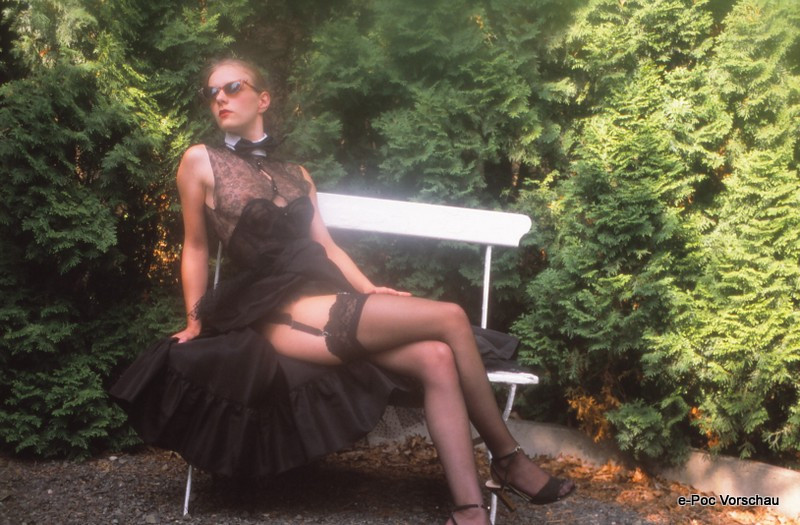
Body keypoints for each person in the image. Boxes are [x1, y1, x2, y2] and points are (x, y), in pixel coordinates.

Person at [111, 57, 574, 525]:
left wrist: (371, 289)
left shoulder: (297, 174)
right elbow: (194, 246)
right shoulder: (200, 160)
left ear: (263, 98)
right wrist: (194, 321)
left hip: (325, 299)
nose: (220, 99)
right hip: (274, 308)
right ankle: (507, 458)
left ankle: (468, 509)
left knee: (436, 356)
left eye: (232, 87)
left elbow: (327, 247)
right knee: (450, 316)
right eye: (211, 93)